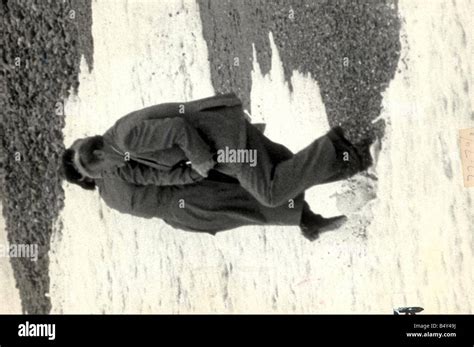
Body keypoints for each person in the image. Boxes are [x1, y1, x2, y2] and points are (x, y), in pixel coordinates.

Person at [69, 93, 372, 208]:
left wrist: (201, 162)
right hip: (224, 146)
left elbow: (177, 128)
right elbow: (165, 175)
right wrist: (192, 173)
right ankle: (355, 157)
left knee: (271, 192)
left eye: (98, 173)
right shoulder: (123, 152)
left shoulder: (126, 139)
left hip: (227, 140)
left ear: (96, 156)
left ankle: (336, 144)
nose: (104, 176)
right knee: (288, 171)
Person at [62, 148, 347, 241]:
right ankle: (334, 162)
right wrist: (196, 164)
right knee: (256, 187)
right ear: (85, 174)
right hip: (192, 192)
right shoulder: (113, 172)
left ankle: (309, 216)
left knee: (251, 207)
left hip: (184, 216)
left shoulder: (109, 198)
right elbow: (161, 172)